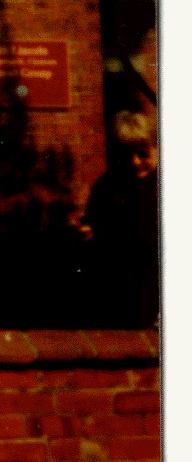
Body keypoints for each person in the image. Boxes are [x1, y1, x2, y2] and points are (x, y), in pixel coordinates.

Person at [79, 109, 159, 327]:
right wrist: (86, 231)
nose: (135, 162)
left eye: (143, 154)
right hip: (117, 284)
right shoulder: (108, 185)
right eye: (126, 155)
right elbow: (94, 225)